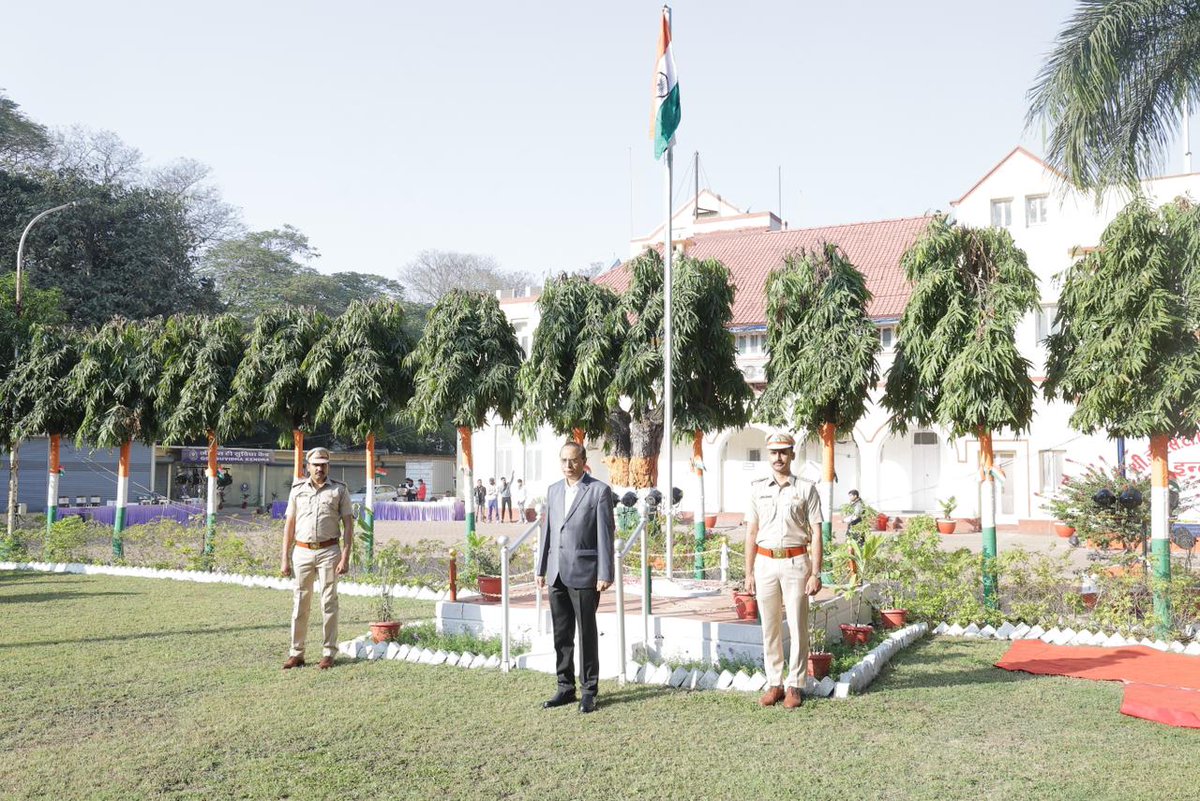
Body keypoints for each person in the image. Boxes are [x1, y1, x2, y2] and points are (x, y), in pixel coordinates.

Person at [745, 432, 823, 709]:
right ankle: (775, 683)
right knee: (769, 627)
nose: (778, 458)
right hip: (765, 563)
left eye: (783, 452)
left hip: (796, 563)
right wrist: (749, 572)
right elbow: (752, 531)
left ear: (792, 454)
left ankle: (795, 685)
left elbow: (816, 532)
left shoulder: (806, 489)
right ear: (768, 455)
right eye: (773, 453)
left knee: (798, 627)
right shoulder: (757, 489)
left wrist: (815, 572)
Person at [536, 442, 614, 714]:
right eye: (563, 461)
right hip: (556, 572)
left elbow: (606, 536)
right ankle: (565, 687)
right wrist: (540, 567)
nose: (568, 466)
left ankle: (589, 691)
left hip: (585, 573)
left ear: (583, 460)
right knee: (561, 634)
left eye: (573, 461)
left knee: (587, 635)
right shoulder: (553, 490)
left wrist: (605, 573)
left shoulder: (599, 491)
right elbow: (546, 530)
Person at [281, 447, 354, 670]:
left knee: (329, 602)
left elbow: (349, 525)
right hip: (302, 552)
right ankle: (296, 653)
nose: (320, 468)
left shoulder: (339, 490)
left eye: (323, 464)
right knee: (300, 603)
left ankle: (329, 652)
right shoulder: (297, 490)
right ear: (308, 466)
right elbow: (289, 525)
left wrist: (345, 557)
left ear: (328, 466)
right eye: (316, 464)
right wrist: (284, 558)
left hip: (329, 551)